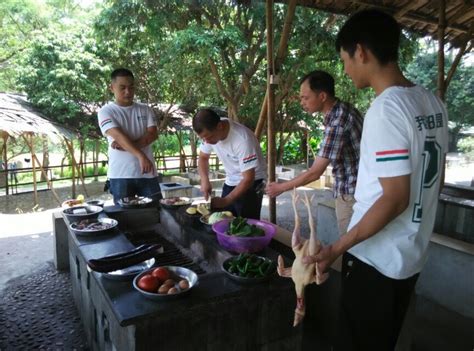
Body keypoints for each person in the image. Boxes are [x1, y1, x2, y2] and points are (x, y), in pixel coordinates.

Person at [306, 9, 448, 351]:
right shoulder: (432, 102)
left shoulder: (386, 109)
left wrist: (338, 247)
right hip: (409, 255)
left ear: (361, 51)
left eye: (345, 59)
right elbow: (435, 183)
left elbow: (394, 197)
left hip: (376, 260)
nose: (344, 69)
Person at [266, 70, 363, 236]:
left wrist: (281, 187)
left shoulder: (337, 122)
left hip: (351, 195)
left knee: (352, 250)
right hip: (359, 189)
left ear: (322, 96)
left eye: (305, 97)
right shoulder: (345, 109)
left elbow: (315, 172)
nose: (302, 102)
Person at [97, 68, 161, 204]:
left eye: (131, 87)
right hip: (120, 174)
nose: (128, 92)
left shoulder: (145, 109)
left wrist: (126, 146)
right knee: (125, 217)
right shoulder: (106, 111)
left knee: (157, 211)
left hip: (147, 173)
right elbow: (118, 136)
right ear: (112, 87)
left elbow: (153, 134)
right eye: (122, 88)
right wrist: (141, 155)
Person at [193, 108, 267, 219]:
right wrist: (205, 180)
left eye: (208, 137)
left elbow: (248, 178)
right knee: (222, 219)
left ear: (219, 126)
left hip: (252, 183)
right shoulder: (210, 131)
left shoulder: (242, 140)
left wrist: (226, 200)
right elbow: (203, 157)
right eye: (203, 138)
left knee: (245, 225)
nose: (206, 142)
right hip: (231, 179)